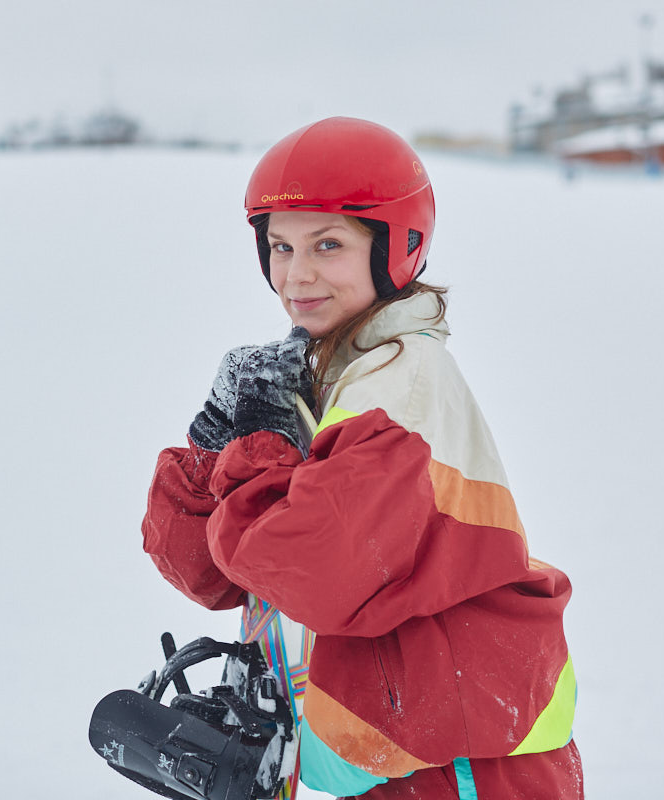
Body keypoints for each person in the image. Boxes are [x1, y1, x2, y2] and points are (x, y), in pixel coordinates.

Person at [142, 117, 583, 800]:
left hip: (465, 767)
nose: (298, 273)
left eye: (328, 244)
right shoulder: (319, 376)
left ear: (396, 248)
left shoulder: (403, 378)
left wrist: (257, 447)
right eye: (281, 247)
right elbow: (205, 570)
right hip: (378, 757)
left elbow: (312, 571)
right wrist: (214, 442)